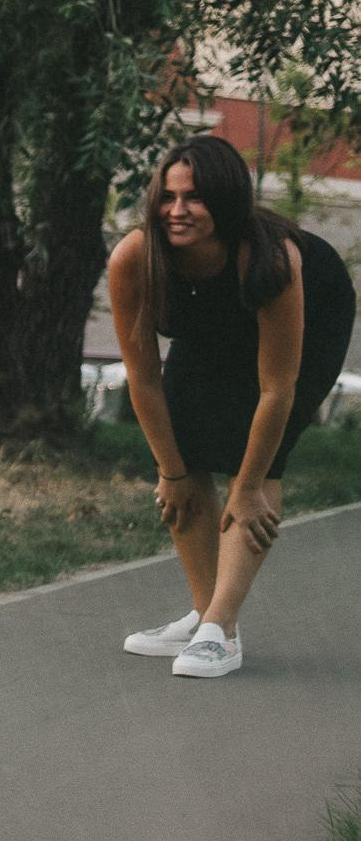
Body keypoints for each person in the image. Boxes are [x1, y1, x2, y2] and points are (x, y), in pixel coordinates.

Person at [108, 134, 356, 678]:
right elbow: (145, 381)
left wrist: (246, 488)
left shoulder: (271, 256)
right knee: (186, 442)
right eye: (167, 197)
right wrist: (170, 471)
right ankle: (205, 618)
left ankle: (223, 629)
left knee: (260, 454)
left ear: (224, 198)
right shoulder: (136, 257)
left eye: (193, 197)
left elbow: (276, 389)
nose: (177, 210)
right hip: (212, 319)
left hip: (312, 312)